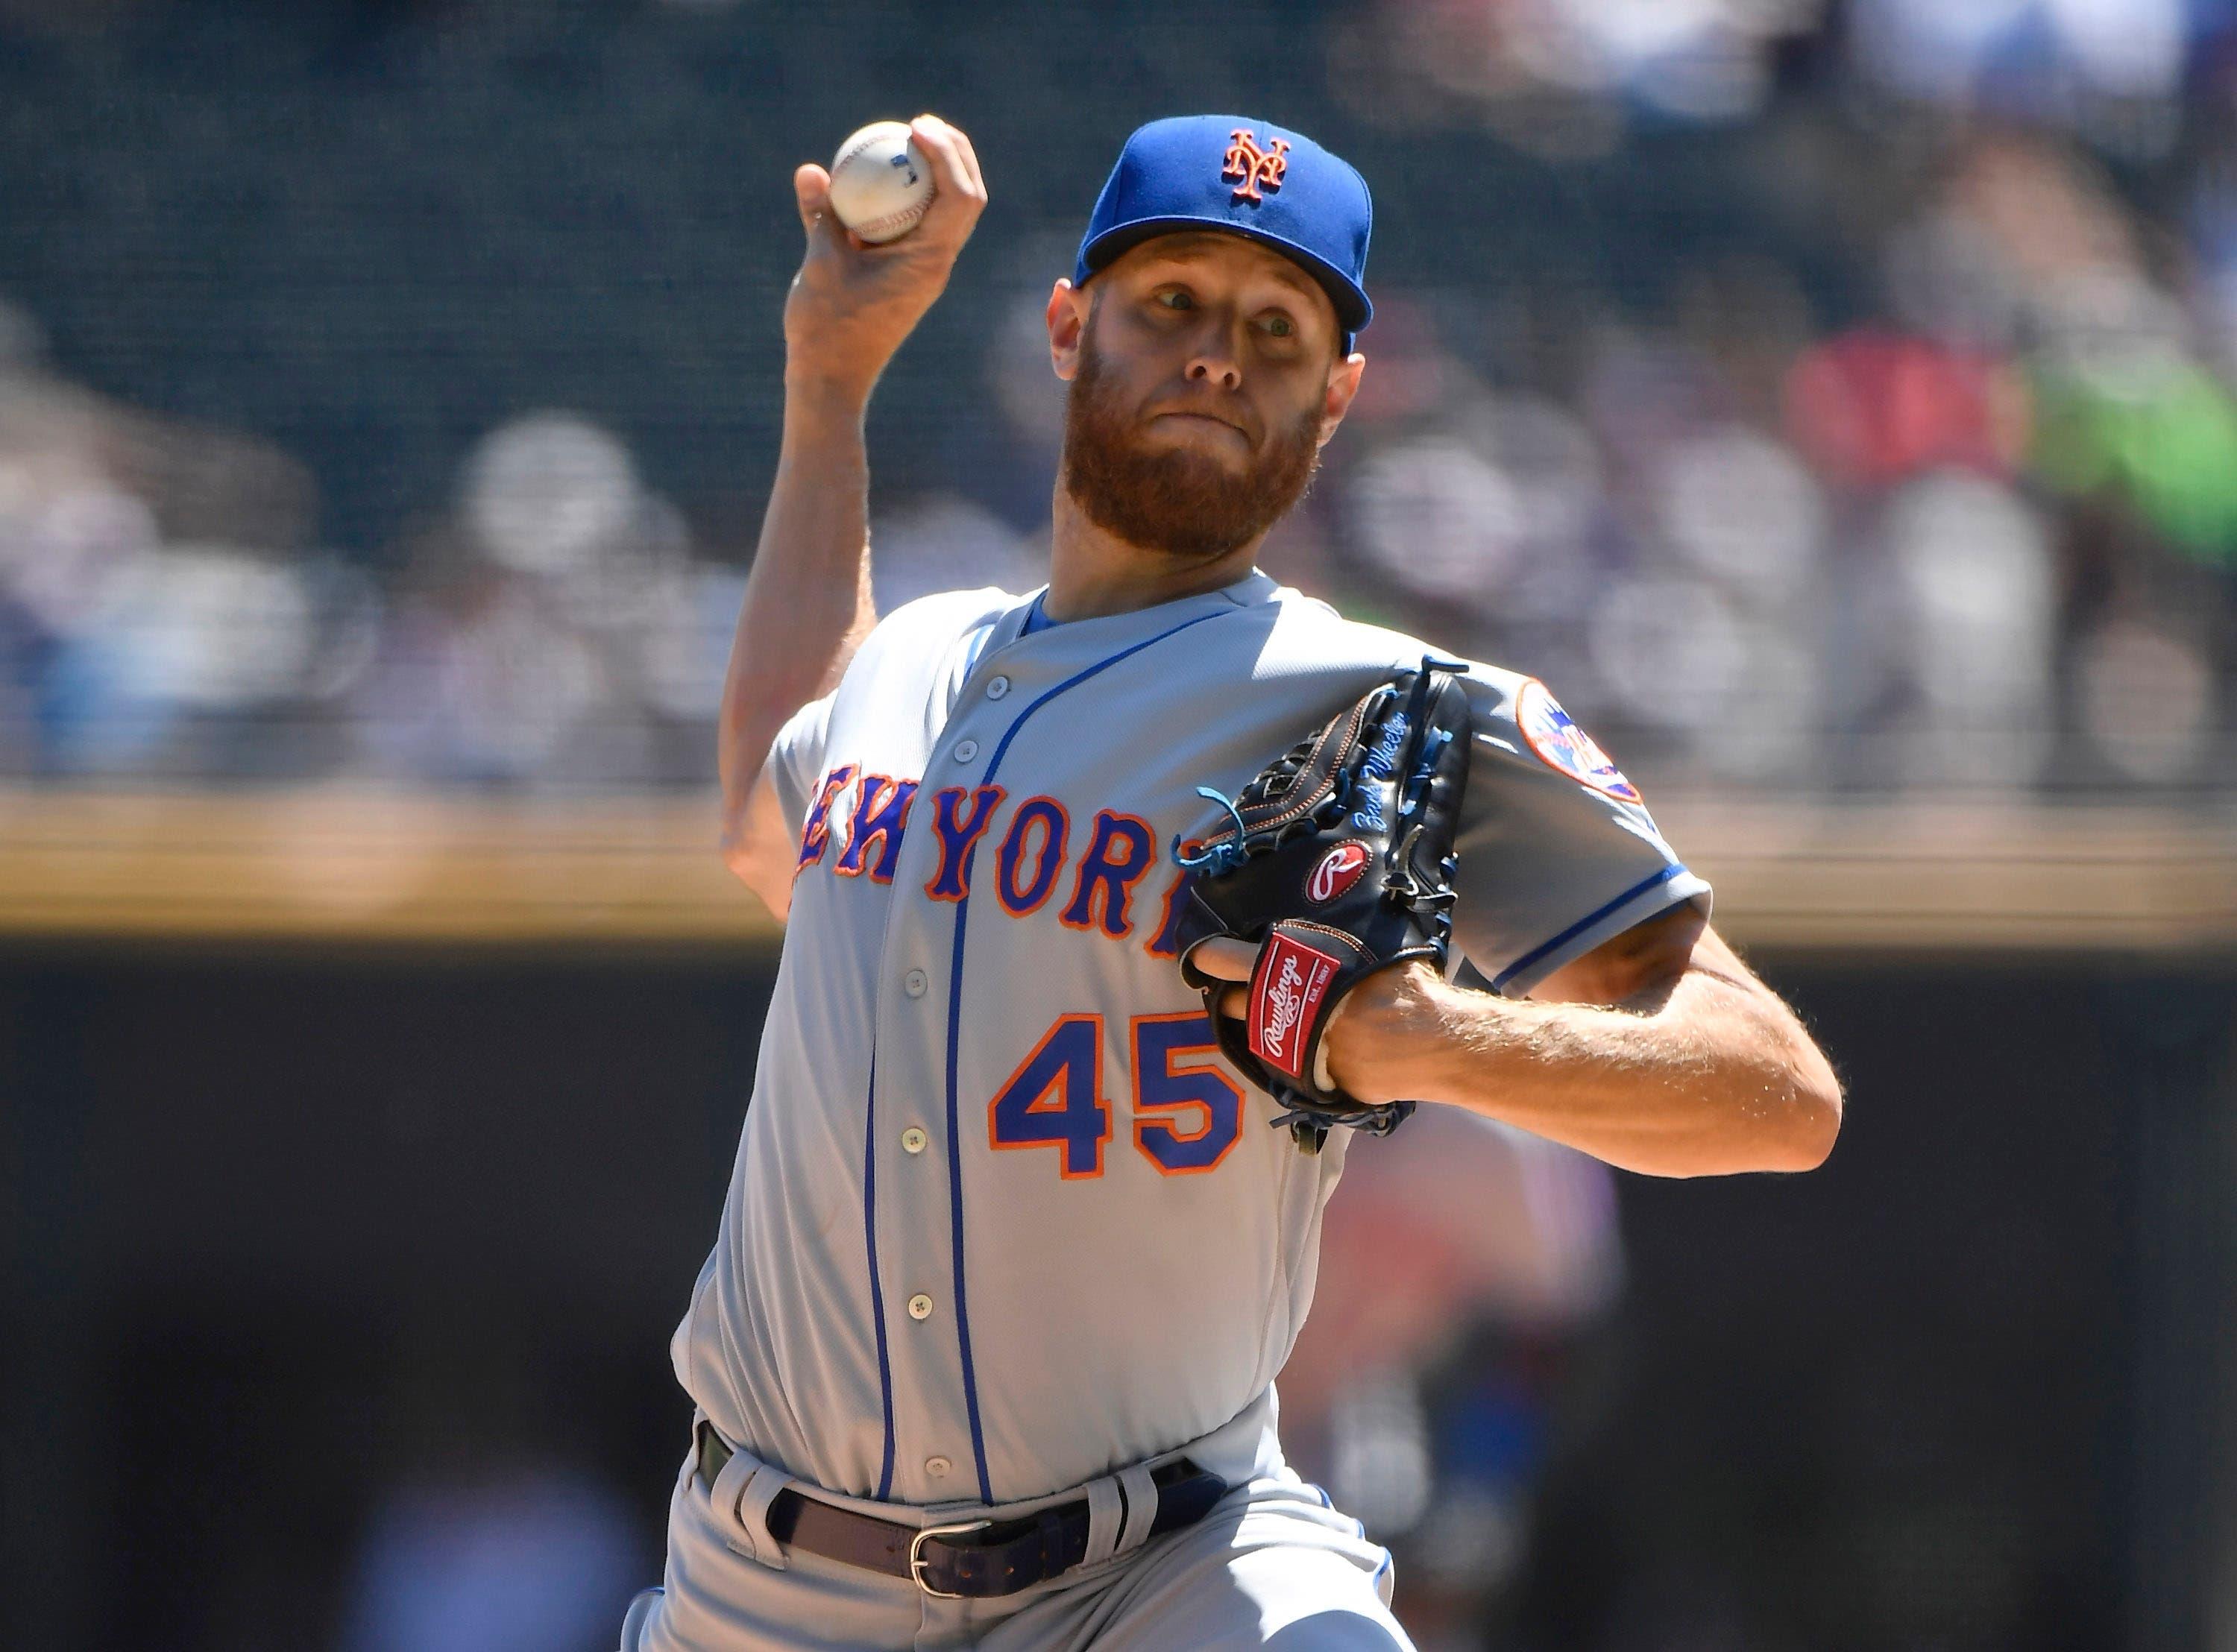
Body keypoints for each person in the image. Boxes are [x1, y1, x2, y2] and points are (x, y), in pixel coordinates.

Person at [620, 113, 1842, 1652]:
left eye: (1276, 330)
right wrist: (830, 381)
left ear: (1335, 399)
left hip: (1165, 1577)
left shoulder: (1388, 705)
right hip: (765, 1589)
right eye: (1172, 304)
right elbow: (762, 811)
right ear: (1071, 330)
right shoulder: (915, 660)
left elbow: (1776, 1091)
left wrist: (1426, 1040)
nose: (1218, 356)